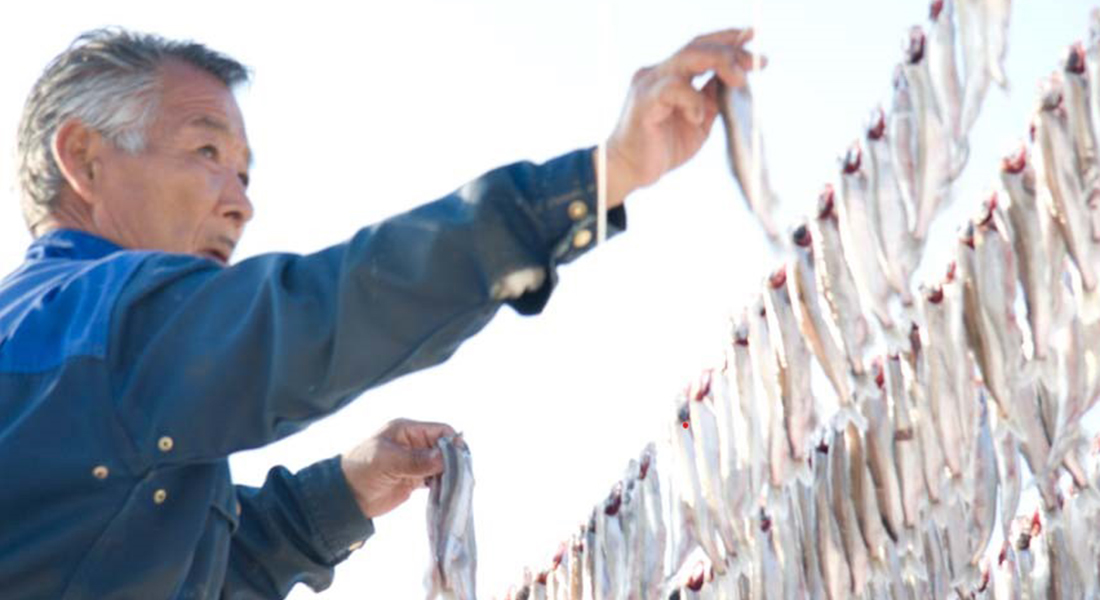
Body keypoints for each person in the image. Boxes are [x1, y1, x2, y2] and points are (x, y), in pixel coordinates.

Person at [0, 26, 761, 598]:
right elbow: (323, 317)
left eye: (243, 172)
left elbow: (189, 576)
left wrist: (346, 491)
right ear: (85, 158)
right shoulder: (91, 327)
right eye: (206, 153)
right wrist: (603, 177)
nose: (240, 203)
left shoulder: (82, 362)